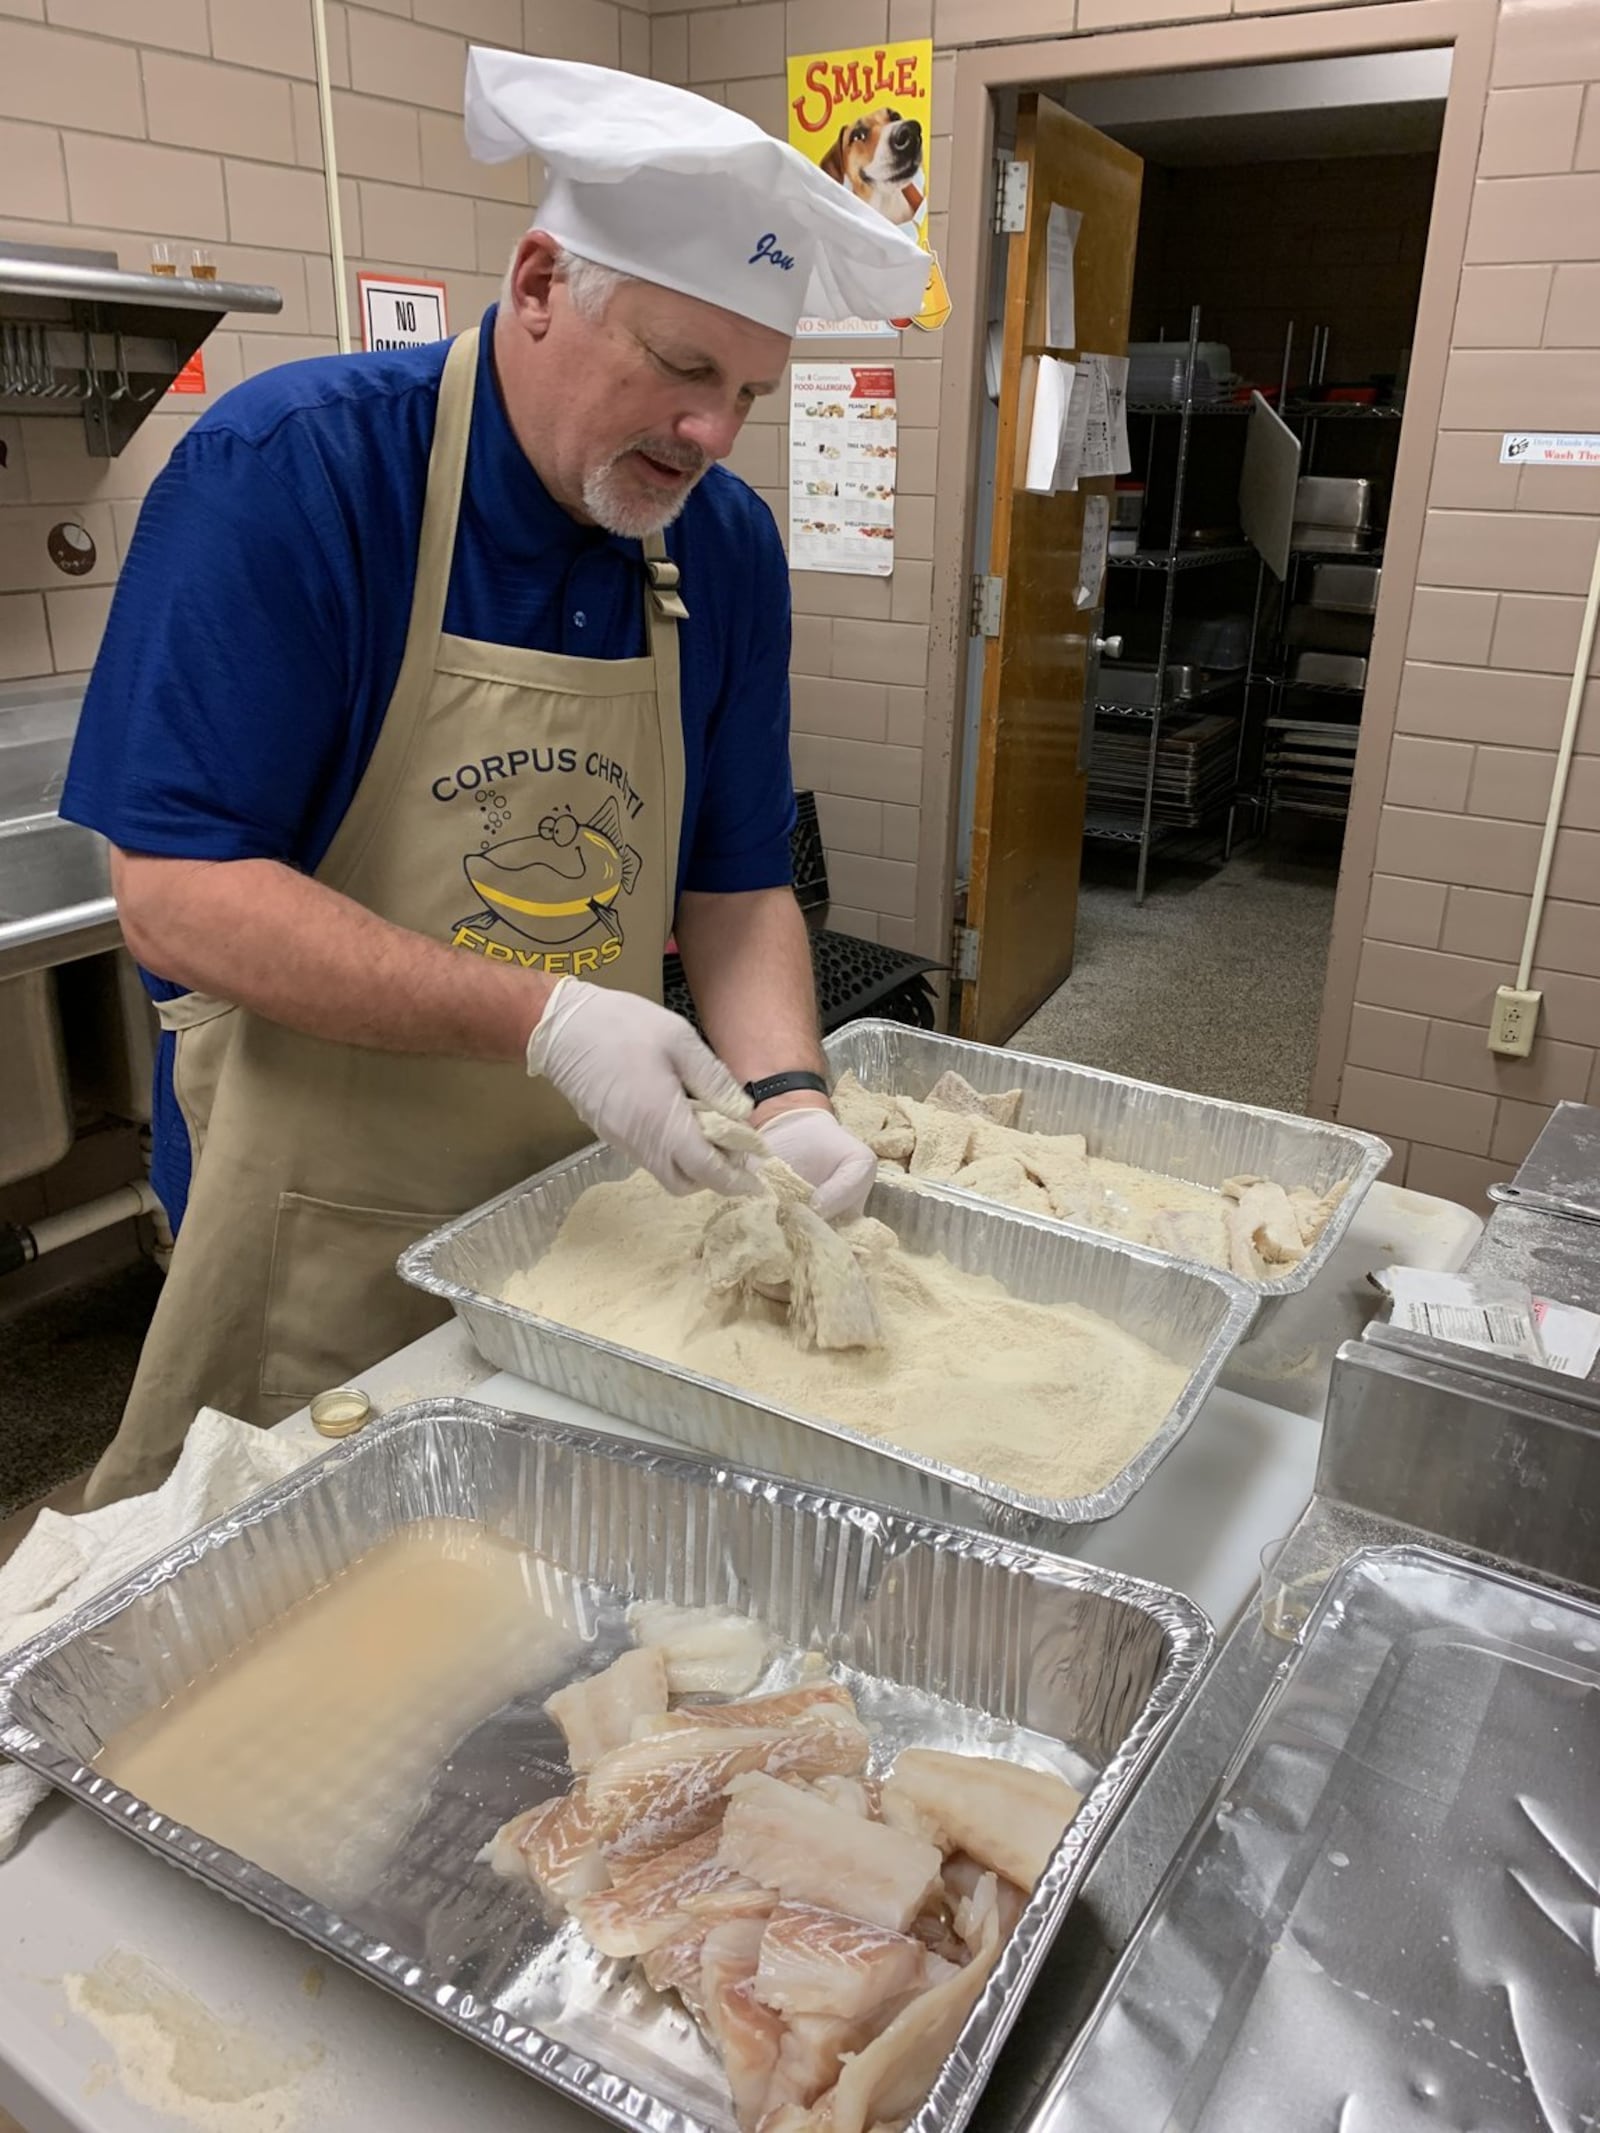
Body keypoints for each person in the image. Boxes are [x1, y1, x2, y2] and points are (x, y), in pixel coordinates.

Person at [61, 51, 933, 1507]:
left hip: (593, 1213)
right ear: (538, 284)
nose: (714, 434)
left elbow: (734, 880)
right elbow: (174, 897)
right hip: (321, 1228)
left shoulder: (721, 548)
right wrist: (543, 1018)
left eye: (752, 393)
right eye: (684, 367)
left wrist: (788, 1098)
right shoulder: (295, 477)